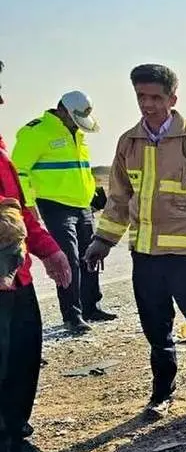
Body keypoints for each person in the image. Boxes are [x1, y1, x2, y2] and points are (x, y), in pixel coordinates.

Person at [84, 64, 186, 421]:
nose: (148, 104)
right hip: (147, 257)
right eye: (142, 96)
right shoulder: (129, 143)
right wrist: (103, 240)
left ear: (173, 98)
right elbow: (119, 198)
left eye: (156, 97)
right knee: (157, 329)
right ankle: (161, 393)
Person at [0, 60, 75, 452]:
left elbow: (17, 208)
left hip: (15, 276)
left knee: (23, 361)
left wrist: (48, 249)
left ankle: (15, 445)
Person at [11, 89, 114, 334]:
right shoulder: (35, 132)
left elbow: (79, 170)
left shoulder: (78, 135)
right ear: (62, 110)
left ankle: (91, 306)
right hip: (54, 204)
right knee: (67, 259)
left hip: (82, 205)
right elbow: (19, 172)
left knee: (91, 256)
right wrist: (28, 205)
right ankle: (72, 315)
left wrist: (93, 195)